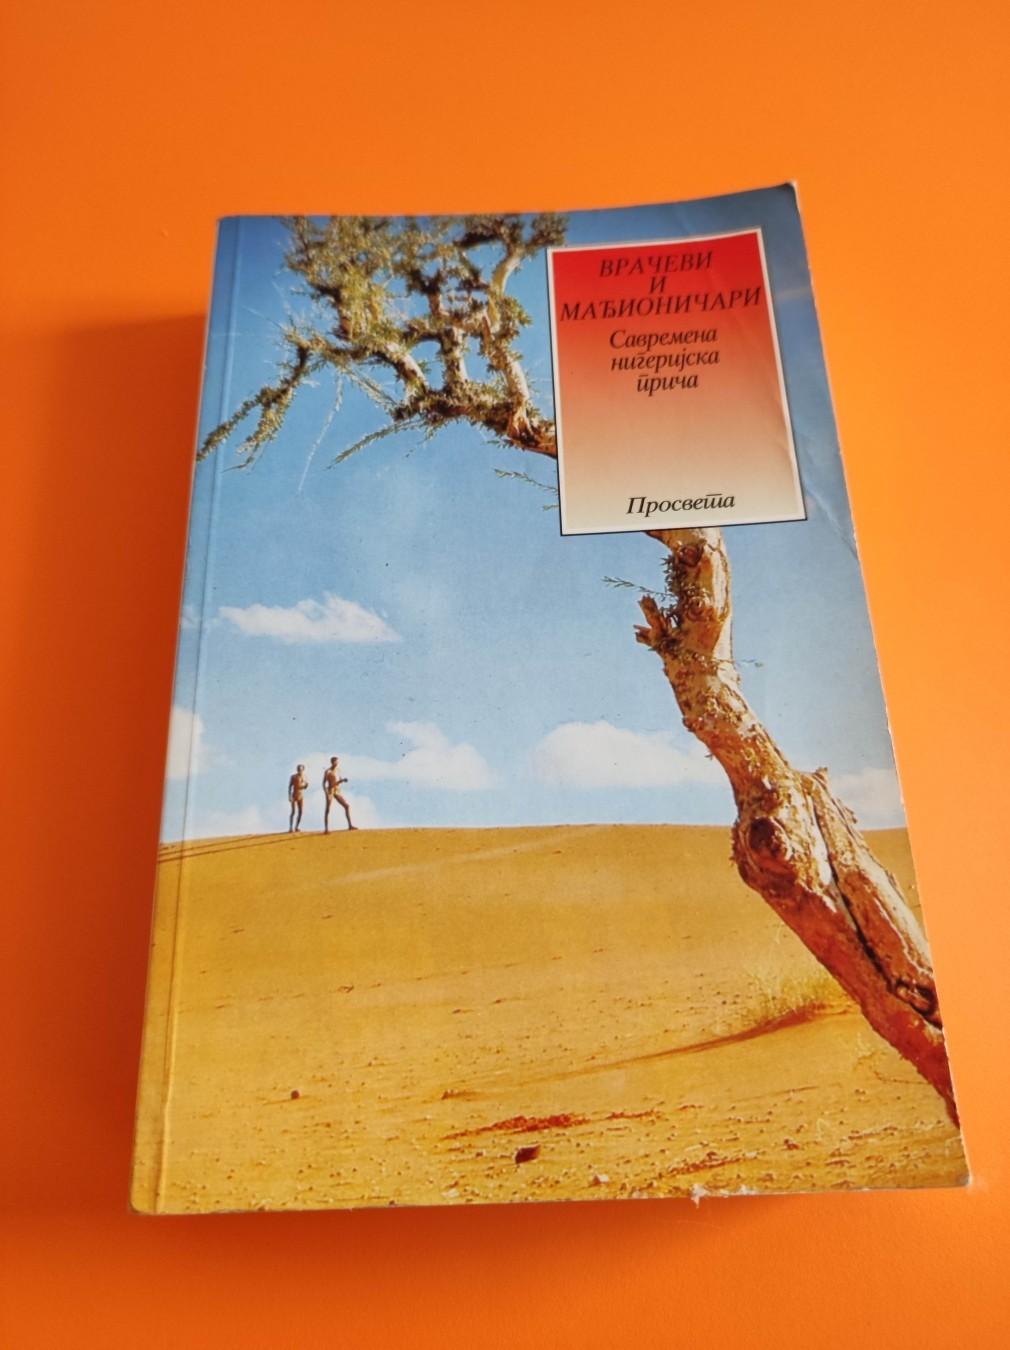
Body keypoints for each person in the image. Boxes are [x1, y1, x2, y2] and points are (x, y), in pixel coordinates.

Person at [323, 755, 357, 833]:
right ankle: (326, 829)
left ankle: (350, 825)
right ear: (332, 762)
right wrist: (326, 791)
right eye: (335, 762)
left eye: (337, 762)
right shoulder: (328, 771)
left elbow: (339, 779)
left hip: (337, 790)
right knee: (328, 809)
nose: (337, 763)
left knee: (346, 806)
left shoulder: (338, 770)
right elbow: (324, 783)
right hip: (330, 790)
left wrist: (343, 780)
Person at [288, 763, 308, 833]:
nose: (300, 771)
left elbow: (303, 786)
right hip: (294, 795)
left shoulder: (304, 777)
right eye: (299, 769)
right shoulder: (293, 777)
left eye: (301, 769)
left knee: (301, 812)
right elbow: (290, 786)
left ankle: (296, 827)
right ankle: (290, 827)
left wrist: (305, 786)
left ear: (303, 770)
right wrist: (289, 796)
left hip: (301, 796)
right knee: (293, 811)